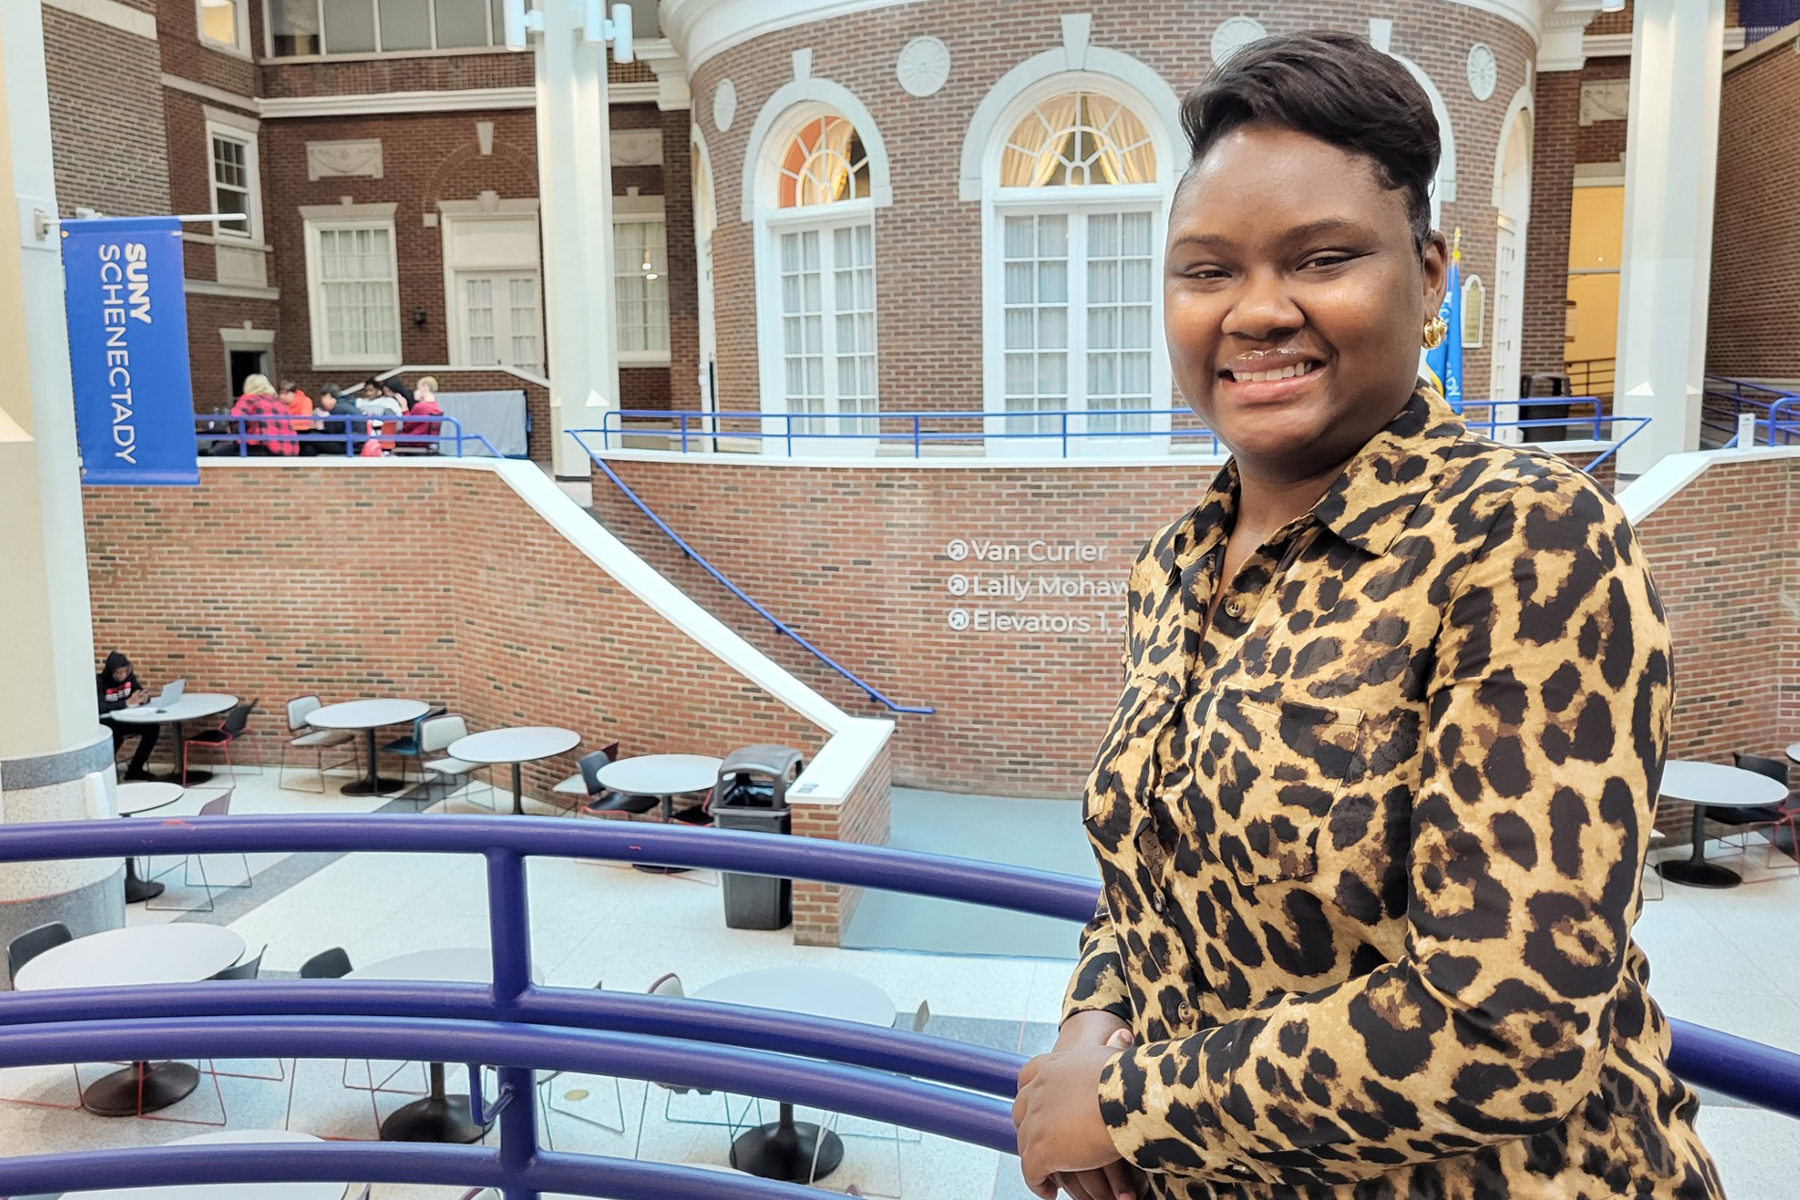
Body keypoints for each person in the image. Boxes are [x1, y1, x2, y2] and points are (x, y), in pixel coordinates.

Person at [1011, 31, 1721, 1200]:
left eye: (1323, 258)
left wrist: (1131, 1113)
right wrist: (1096, 1016)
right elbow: (1154, 862)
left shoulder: (1527, 543)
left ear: (1430, 275)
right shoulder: (1177, 563)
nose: (1257, 311)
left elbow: (1509, 1032)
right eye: (1206, 271)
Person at [97, 651, 158, 780]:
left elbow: (137, 692)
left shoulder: (129, 678)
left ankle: (135, 769)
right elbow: (100, 708)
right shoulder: (100, 682)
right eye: (118, 673)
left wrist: (144, 698)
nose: (123, 675)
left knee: (152, 728)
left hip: (126, 719)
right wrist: (127, 703)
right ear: (111, 672)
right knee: (116, 736)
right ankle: (105, 770)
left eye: (125, 671)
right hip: (108, 722)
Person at [229, 374, 298, 457]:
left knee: (215, 454)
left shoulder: (249, 399)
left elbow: (235, 417)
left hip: (264, 448)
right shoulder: (280, 403)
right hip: (289, 450)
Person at [397, 376, 444, 452]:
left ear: (425, 387)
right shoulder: (436, 407)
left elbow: (407, 425)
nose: (417, 391)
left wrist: (404, 407)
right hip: (427, 441)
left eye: (418, 388)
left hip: (413, 440)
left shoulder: (420, 407)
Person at [314, 387, 366, 456]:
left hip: (351, 445)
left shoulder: (338, 409)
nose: (321, 401)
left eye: (322, 398)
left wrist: (321, 423)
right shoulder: (345, 405)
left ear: (328, 396)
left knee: (310, 438)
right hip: (356, 443)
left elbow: (331, 431)